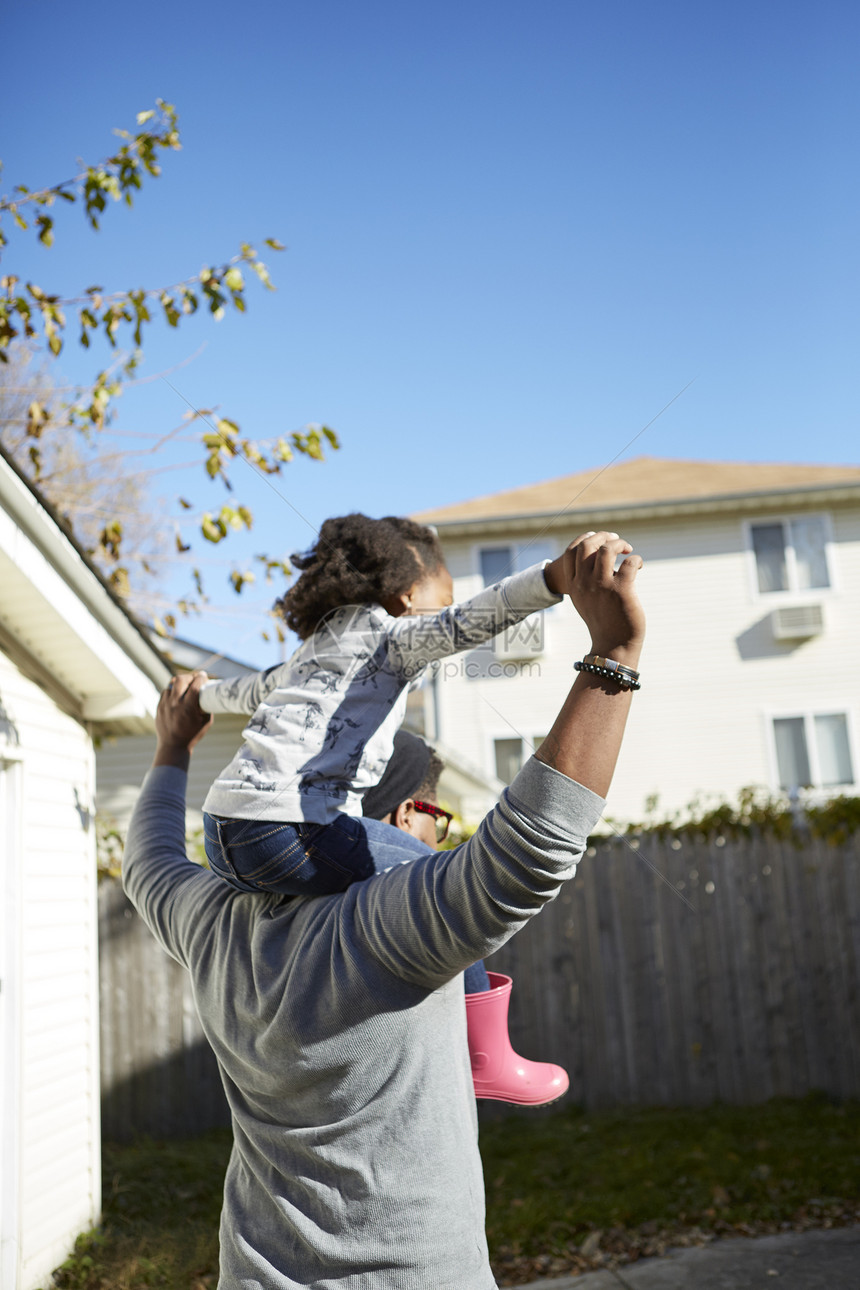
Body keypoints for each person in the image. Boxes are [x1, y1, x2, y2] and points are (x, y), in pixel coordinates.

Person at [122, 530, 644, 1289]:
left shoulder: (209, 925)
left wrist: (173, 746)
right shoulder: (388, 932)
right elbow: (525, 854)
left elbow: (149, 862)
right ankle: (489, 1052)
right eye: (434, 805)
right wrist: (614, 654)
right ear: (395, 814)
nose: (441, 827)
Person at [194, 511, 580, 1104]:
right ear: (405, 598)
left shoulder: (316, 647)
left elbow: (246, 691)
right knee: (443, 883)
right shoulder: (390, 638)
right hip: (290, 828)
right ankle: (487, 1057)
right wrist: (555, 578)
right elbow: (471, 623)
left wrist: (197, 697)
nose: (444, 613)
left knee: (357, 878)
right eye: (438, 602)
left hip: (223, 829)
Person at [362, 728, 568, 1104]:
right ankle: (485, 1057)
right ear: (406, 813)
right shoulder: (406, 894)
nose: (438, 836)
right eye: (436, 817)